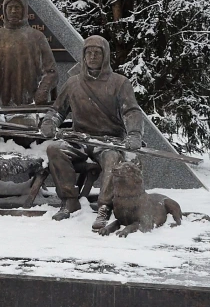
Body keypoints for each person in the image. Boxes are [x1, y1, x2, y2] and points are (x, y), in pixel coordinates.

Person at [39, 35, 143, 232]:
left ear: (105, 56)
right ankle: (70, 200)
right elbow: (58, 110)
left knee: (113, 157)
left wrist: (134, 134)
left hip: (108, 140)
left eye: (97, 53)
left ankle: (104, 206)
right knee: (54, 149)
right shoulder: (73, 83)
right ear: (83, 56)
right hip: (79, 138)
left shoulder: (120, 83)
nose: (93, 56)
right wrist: (50, 122)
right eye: (89, 53)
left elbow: (132, 111)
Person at [0, 0, 57, 145]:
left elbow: (51, 72)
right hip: (2, 101)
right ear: (4, 11)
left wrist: (43, 90)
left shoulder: (37, 37)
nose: (14, 11)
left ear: (24, 10)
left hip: (31, 103)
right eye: (10, 7)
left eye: (17, 7)